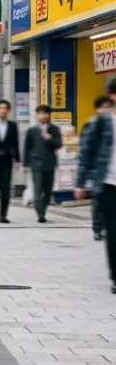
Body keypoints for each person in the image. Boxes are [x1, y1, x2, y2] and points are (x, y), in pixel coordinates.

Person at [74, 77, 116, 293]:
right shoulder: (102, 122)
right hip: (108, 183)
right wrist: (80, 182)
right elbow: (87, 152)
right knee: (113, 232)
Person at [23, 105, 63, 223]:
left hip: (50, 163)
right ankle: (40, 213)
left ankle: (43, 209)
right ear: (36, 115)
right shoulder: (31, 131)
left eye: (45, 113)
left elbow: (59, 144)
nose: (43, 116)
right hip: (36, 164)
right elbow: (27, 147)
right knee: (38, 188)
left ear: (49, 115)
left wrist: (50, 138)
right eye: (40, 113)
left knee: (48, 190)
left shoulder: (54, 129)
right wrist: (25, 164)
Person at [81, 96, 113, 240]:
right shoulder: (91, 124)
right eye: (102, 107)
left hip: (110, 171)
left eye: (108, 106)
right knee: (99, 202)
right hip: (97, 171)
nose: (105, 110)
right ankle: (98, 228)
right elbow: (85, 149)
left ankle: (107, 227)